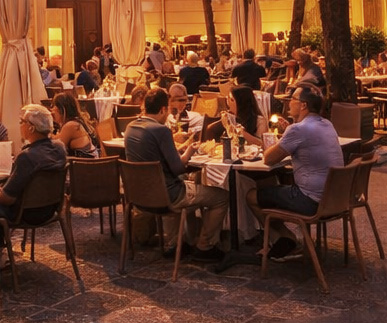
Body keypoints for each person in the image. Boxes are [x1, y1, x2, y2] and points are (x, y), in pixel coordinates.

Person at [124, 88, 228, 261]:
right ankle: (204, 245)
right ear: (163, 109)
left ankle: (174, 244)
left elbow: (157, 155)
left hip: (139, 197)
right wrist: (189, 151)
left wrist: (179, 148)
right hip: (168, 197)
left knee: (179, 182)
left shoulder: (130, 127)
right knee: (221, 197)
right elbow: (178, 167)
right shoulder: (160, 130)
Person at [247, 85, 345, 261]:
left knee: (252, 196)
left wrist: (284, 136)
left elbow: (269, 159)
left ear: (303, 105)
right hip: (335, 200)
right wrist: (288, 133)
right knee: (270, 187)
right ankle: (285, 240)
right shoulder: (327, 124)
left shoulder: (298, 130)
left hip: (310, 201)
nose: (288, 103)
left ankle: (285, 240)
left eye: (292, 99)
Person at [0, 104, 68, 250]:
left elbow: (7, 198)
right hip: (50, 209)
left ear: (31, 128)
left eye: (21, 122)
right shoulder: (59, 148)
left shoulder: (27, 157)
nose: (19, 125)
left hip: (26, 213)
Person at [51, 93, 100, 158]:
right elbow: (57, 138)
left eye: (54, 106)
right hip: (87, 162)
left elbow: (57, 149)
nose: (52, 110)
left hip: (85, 165)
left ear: (61, 109)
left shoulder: (71, 125)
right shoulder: (77, 121)